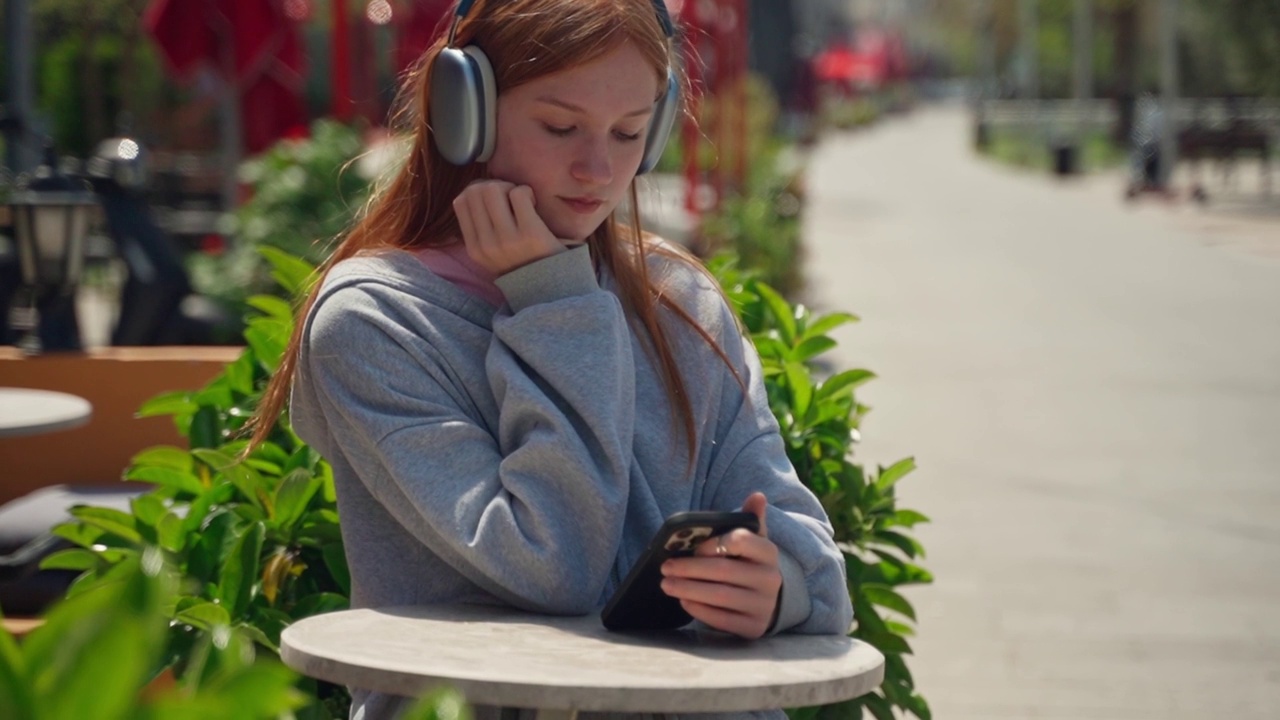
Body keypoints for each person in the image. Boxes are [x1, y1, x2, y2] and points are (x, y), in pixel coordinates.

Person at [250, 1, 853, 718]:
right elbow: (553, 564)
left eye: (630, 133)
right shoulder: (375, 324)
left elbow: (817, 570)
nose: (599, 169)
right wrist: (554, 305)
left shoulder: (679, 302)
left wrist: (775, 585)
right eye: (560, 127)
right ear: (463, 109)